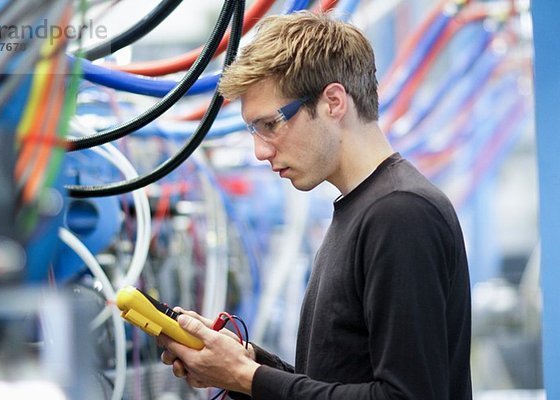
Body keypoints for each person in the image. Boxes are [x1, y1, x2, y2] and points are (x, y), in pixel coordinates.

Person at [157, 11, 472, 400]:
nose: (259, 150)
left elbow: (405, 397)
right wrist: (243, 364)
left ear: (334, 102)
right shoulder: (361, 209)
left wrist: (247, 377)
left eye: (270, 124)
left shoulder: (400, 213)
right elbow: (336, 382)